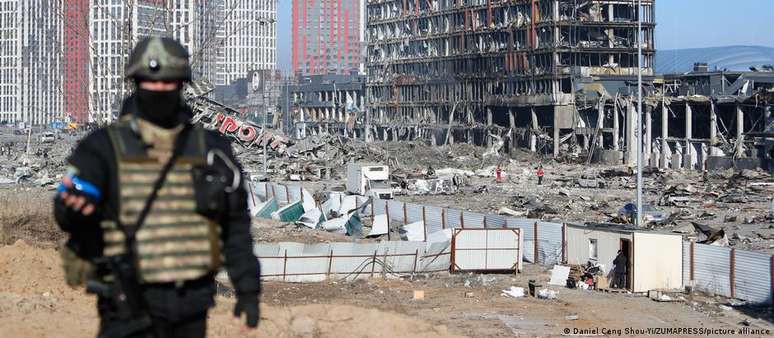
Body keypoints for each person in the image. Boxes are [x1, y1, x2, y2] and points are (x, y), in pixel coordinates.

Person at [53, 37, 260, 338]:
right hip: (125, 302)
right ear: (137, 83)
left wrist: (248, 289)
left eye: (169, 82)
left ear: (182, 85)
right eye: (152, 82)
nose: (160, 89)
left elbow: (236, 226)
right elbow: (68, 209)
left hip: (190, 304)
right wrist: (73, 209)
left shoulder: (210, 150)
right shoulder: (103, 147)